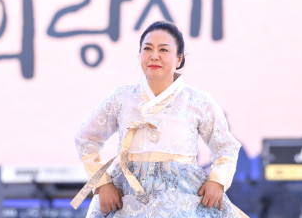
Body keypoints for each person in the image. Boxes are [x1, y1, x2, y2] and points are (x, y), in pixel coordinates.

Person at [71, 21, 248, 217]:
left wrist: (217, 181)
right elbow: (85, 138)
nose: (154, 55)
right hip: (126, 197)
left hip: (185, 196)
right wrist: (102, 184)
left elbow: (226, 146)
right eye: (147, 49)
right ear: (139, 55)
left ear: (179, 59)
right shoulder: (120, 98)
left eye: (163, 49)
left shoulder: (198, 100)